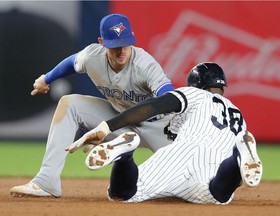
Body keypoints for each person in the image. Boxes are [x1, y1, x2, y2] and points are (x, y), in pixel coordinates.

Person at [10, 13, 174, 198]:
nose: (121, 51)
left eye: (125, 43)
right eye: (115, 46)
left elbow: (168, 98)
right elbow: (72, 62)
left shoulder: (145, 65)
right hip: (120, 121)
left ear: (132, 38)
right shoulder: (92, 56)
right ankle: (46, 181)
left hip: (159, 126)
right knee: (70, 103)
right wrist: (46, 79)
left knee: (186, 184)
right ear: (102, 42)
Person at [65, 62, 263, 204]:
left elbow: (153, 106)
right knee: (219, 193)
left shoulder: (194, 93)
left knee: (124, 194)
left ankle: (125, 155)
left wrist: (108, 127)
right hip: (217, 164)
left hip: (179, 154)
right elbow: (237, 182)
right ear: (221, 86)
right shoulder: (238, 115)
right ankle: (239, 153)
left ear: (196, 84)